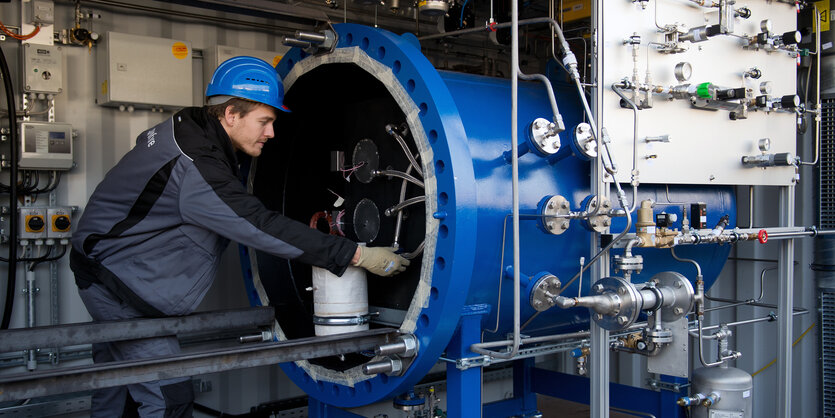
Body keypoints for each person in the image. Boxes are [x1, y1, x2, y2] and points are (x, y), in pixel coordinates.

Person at [70, 56, 409, 417]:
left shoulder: (192, 129)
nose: (271, 133)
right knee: (168, 399)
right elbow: (257, 225)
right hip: (121, 288)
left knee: (114, 387)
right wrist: (355, 255)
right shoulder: (197, 167)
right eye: (264, 122)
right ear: (231, 114)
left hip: (102, 266)